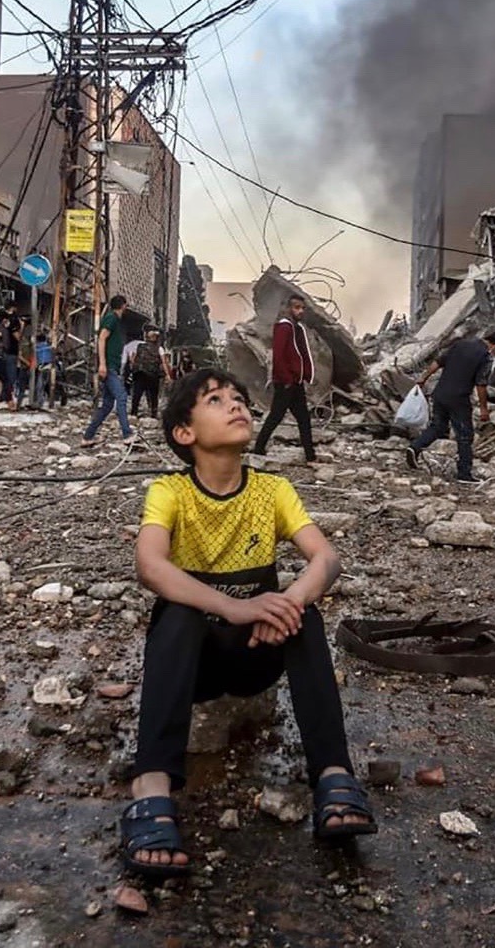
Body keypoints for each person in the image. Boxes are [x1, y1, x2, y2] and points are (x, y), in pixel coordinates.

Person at [120, 368, 375, 879]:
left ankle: (332, 772)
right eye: (215, 400)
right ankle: (151, 784)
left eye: (239, 398)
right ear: (184, 434)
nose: (236, 405)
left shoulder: (272, 490)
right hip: (196, 665)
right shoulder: (170, 491)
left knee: (306, 614)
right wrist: (237, 606)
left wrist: (288, 601)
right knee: (180, 612)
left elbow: (325, 557)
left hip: (257, 654)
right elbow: (150, 566)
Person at [406, 330, 495, 484]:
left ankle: (415, 447)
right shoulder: (485, 356)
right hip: (459, 399)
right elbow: (481, 385)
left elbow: (437, 363)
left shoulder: (460, 344)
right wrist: (484, 409)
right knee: (465, 435)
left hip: (440, 393)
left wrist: (423, 378)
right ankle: (464, 474)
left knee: (438, 427)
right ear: (494, 346)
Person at [253, 294, 319, 464]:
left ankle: (310, 454)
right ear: (288, 309)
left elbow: (301, 354)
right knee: (276, 416)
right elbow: (279, 356)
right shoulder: (284, 327)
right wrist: (287, 379)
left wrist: (304, 376)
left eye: (302, 308)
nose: (300, 311)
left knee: (303, 418)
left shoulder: (297, 328)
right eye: (297, 307)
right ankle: (258, 448)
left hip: (295, 382)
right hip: (286, 383)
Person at [81, 295, 134, 448]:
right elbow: (102, 338)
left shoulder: (114, 320)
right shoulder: (111, 318)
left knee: (107, 405)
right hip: (108, 366)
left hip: (112, 366)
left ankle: (88, 436)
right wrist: (102, 364)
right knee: (122, 397)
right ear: (123, 305)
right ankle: (127, 434)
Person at [128, 327, 171, 420]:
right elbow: (164, 362)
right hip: (153, 375)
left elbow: (132, 358)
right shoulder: (159, 348)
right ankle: (153, 413)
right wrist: (167, 375)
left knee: (137, 393)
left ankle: (134, 413)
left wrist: (134, 368)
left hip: (139, 373)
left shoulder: (139, 346)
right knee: (153, 394)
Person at [0, 300, 25, 407]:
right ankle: (6, 398)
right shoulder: (13, 320)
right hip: (11, 351)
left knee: (5, 376)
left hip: (1, 350)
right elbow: (17, 337)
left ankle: (3, 397)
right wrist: (22, 326)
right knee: (11, 377)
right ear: (13, 308)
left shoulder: (1, 316)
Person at [29, 331, 55, 410]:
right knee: (44, 385)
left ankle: (40, 402)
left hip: (43, 367)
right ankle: (43, 400)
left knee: (40, 386)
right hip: (49, 367)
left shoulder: (38, 347)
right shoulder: (48, 346)